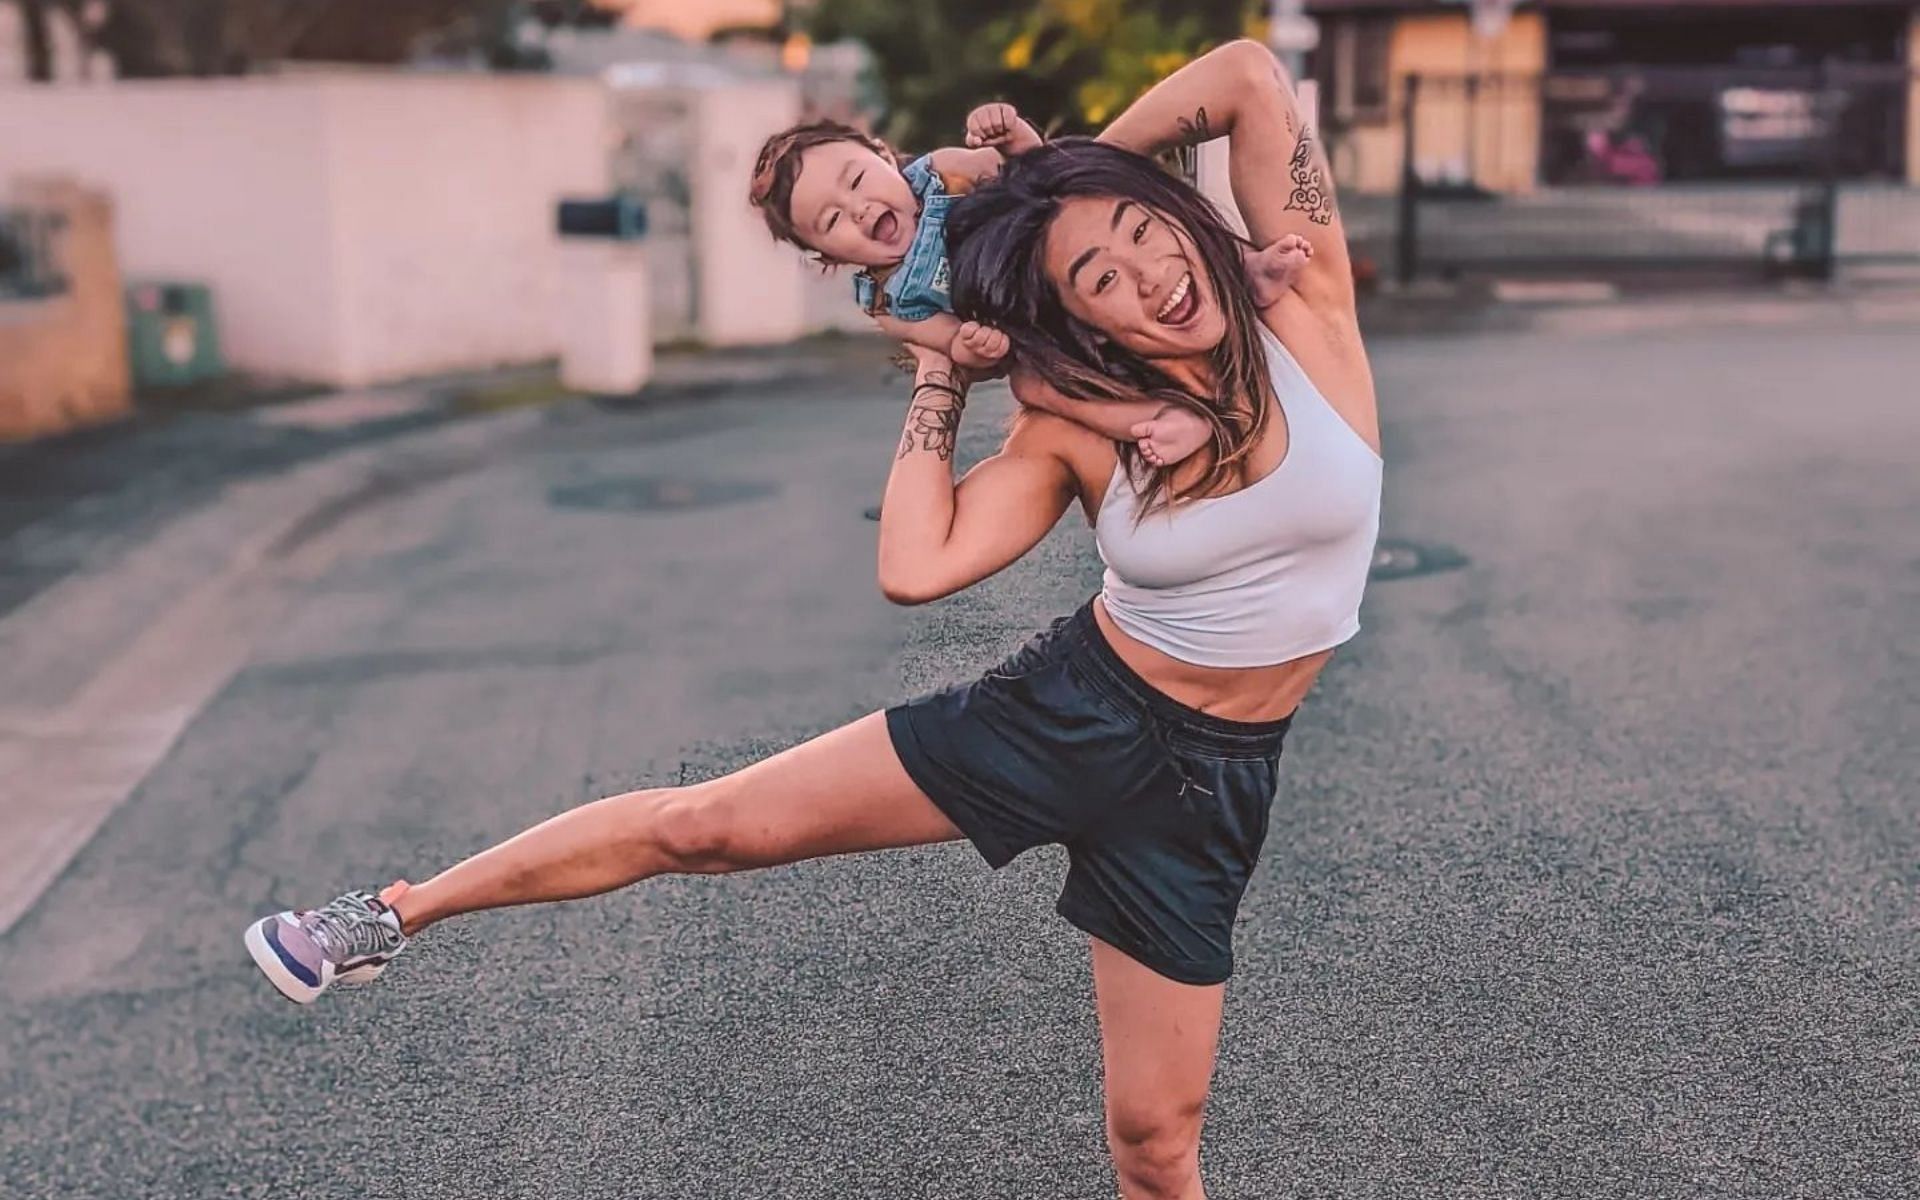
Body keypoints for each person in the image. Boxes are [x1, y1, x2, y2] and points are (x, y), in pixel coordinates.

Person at [243, 40, 1381, 1200]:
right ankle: (390, 914)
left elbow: (1245, 71)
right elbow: (916, 563)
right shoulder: (1078, 424)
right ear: (1074, 315)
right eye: (1096, 280)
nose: (1146, 279)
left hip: (1213, 782)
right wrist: (939, 375)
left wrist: (1076, 174)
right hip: (1073, 710)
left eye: (1146, 236)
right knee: (706, 826)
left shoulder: (1309, 313)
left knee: (1154, 1146)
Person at [747, 102, 1311, 468]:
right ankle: (1159, 418)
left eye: (856, 180)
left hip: (1058, 266)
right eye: (833, 220)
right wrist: (966, 345)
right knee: (1034, 389)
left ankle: (1245, 269)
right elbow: (946, 338)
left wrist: (1015, 139)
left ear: (880, 155)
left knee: (1135, 223)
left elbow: (1041, 182)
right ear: (826, 255)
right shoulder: (891, 299)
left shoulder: (944, 171)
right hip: (1029, 330)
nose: (860, 208)